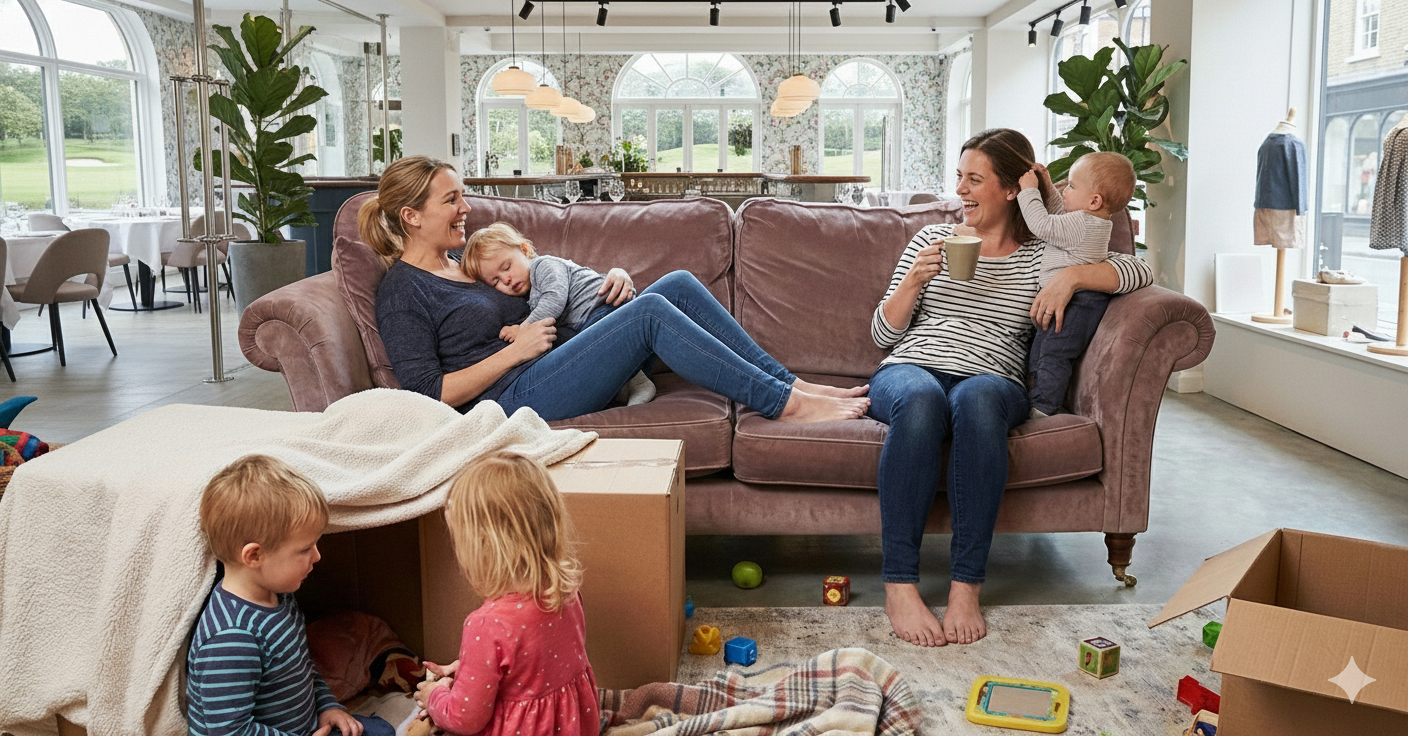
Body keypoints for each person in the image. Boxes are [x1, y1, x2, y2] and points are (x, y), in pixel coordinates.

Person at [869, 129, 1152, 648]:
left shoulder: (1045, 254)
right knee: (923, 401)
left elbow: (1140, 269)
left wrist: (1071, 280)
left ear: (1008, 190)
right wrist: (913, 281)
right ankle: (900, 584)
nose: (962, 191)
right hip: (912, 366)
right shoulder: (929, 241)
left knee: (975, 402)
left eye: (975, 179)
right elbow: (882, 334)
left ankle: (965, 587)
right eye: (959, 178)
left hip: (993, 377)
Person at [367, 155, 869, 424]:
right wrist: (511, 353)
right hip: (512, 395)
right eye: (451, 201)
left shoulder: (463, 266)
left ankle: (790, 384)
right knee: (649, 313)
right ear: (411, 217)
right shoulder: (402, 292)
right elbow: (424, 393)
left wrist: (612, 277)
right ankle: (784, 405)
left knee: (675, 285)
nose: (465, 209)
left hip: (550, 362)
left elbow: (542, 281)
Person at [188, 455, 394, 736]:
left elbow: (301, 669)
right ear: (255, 556)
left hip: (304, 727)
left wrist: (327, 706)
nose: (317, 556)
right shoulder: (232, 638)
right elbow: (229, 731)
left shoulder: (279, 596)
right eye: (304, 549)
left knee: (378, 730)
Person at [413, 451, 597, 736]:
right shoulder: (565, 588)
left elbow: (464, 719)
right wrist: (467, 669)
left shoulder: (486, 624)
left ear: (485, 547)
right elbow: (534, 660)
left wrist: (434, 696)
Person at [462, 221, 655, 406]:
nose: (506, 279)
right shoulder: (527, 297)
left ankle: (637, 380)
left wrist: (523, 329)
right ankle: (628, 381)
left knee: (582, 337)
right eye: (495, 281)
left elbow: (554, 300)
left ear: (525, 250)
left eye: (507, 267)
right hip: (592, 318)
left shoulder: (543, 265)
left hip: (604, 306)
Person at [1016, 152, 1137, 418]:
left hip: (1076, 303)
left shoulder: (1082, 224)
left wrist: (1029, 192)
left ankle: (1042, 408)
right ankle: (1036, 400)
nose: (1065, 191)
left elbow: (1042, 224)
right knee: (1043, 351)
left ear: (1094, 201)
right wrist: (1048, 187)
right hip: (1078, 300)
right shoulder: (1089, 221)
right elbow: (1061, 215)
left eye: (1071, 186)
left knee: (1054, 355)